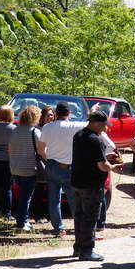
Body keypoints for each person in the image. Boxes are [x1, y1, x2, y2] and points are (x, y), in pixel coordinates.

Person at [70, 110, 123, 261]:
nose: (105, 128)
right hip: (91, 184)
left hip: (77, 182)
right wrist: (113, 166)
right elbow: (102, 166)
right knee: (90, 218)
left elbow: (89, 157)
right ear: (96, 123)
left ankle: (78, 248)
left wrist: (106, 157)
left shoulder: (78, 135)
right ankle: (87, 251)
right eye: (104, 125)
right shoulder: (96, 139)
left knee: (79, 216)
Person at [37, 102, 85, 237]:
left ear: (56, 114)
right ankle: (79, 228)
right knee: (74, 199)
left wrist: (50, 160)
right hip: (67, 168)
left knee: (53, 199)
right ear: (69, 114)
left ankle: (58, 229)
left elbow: (41, 149)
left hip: (51, 166)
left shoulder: (46, 127)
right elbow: (91, 123)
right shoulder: (75, 126)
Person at [7, 105, 42, 231]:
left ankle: (24, 220)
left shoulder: (14, 131)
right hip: (29, 169)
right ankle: (21, 223)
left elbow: (10, 150)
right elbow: (41, 151)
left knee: (23, 195)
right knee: (25, 198)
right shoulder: (35, 132)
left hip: (15, 168)